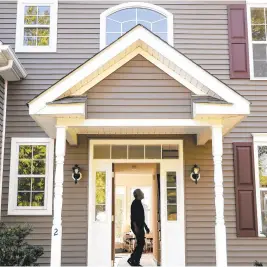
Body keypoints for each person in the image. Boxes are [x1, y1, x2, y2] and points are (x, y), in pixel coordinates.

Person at [127, 189, 150, 267]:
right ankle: (134, 260)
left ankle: (133, 259)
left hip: (140, 226)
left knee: (141, 243)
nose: (143, 193)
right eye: (141, 192)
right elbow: (133, 216)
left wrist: (146, 227)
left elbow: (141, 218)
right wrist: (136, 227)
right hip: (137, 226)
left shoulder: (139, 203)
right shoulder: (135, 203)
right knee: (141, 243)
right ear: (138, 194)